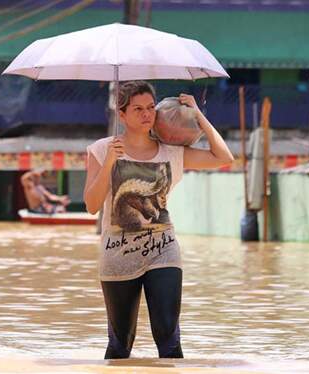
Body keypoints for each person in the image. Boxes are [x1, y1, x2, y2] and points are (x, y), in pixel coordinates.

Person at [83, 81, 233, 359]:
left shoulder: (171, 152)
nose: (146, 114)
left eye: (151, 107)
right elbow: (92, 205)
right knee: (119, 345)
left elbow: (224, 158)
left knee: (169, 340)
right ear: (122, 114)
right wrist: (109, 165)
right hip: (117, 255)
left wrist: (198, 114)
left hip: (163, 250)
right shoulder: (102, 150)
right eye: (138, 109)